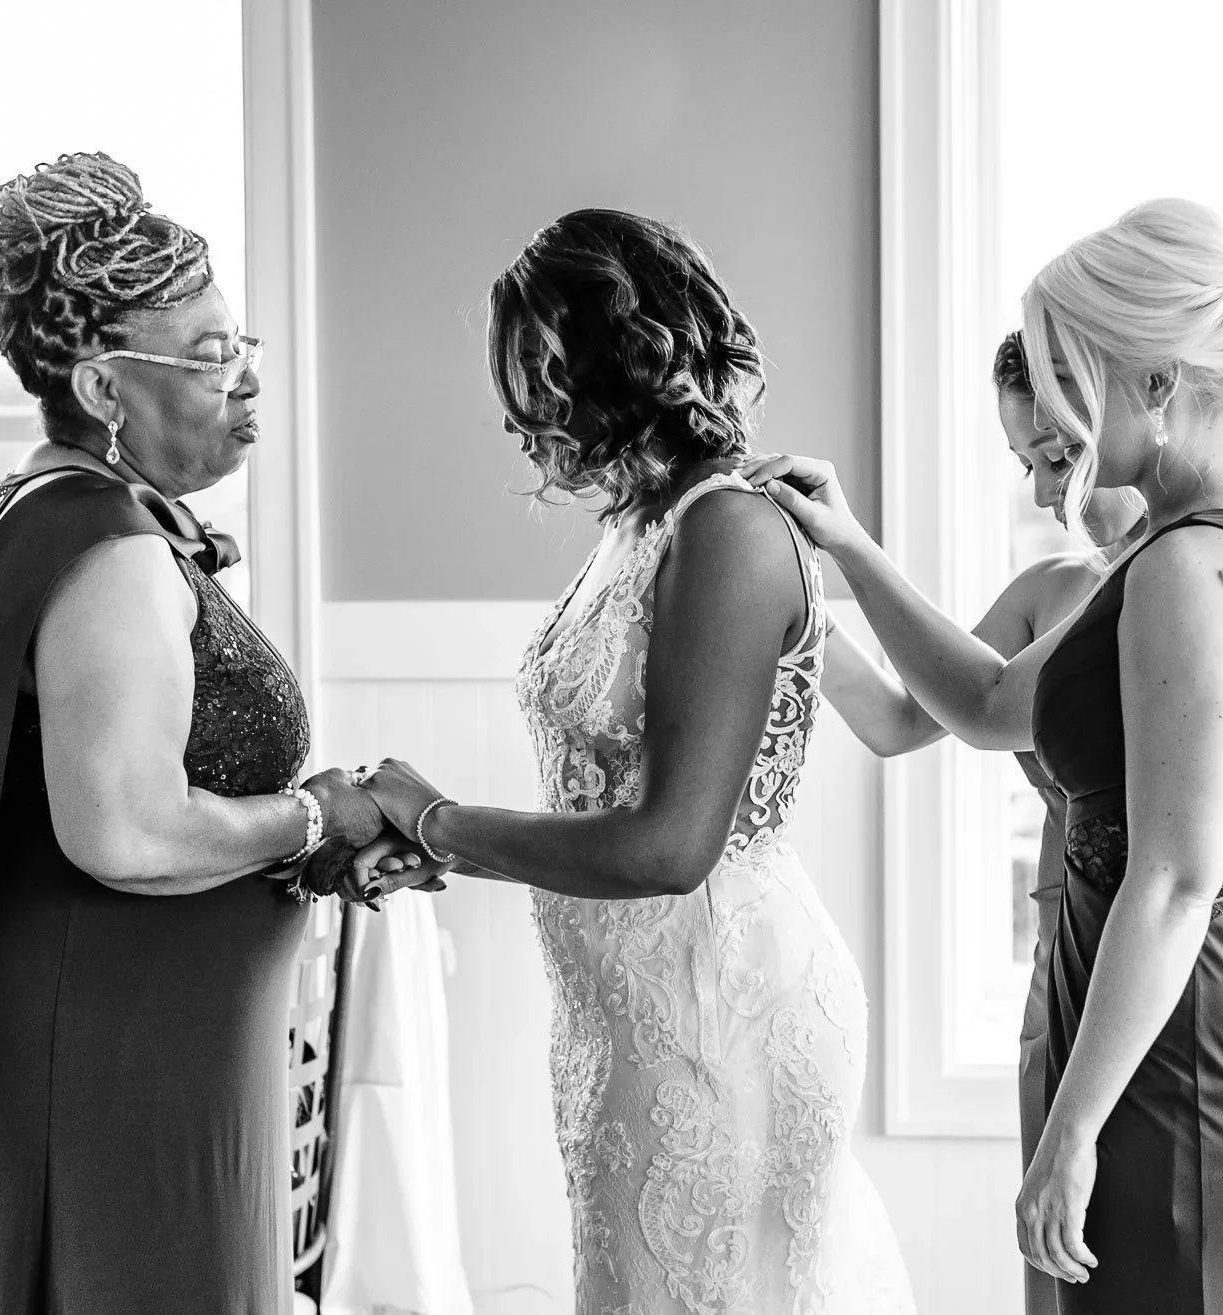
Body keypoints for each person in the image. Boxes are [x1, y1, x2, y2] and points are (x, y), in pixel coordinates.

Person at [747, 198, 1223, 1312]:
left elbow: (1179, 875)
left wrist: (1070, 1132)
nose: (1056, 437)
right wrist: (841, 550)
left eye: (1068, 377)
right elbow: (990, 702)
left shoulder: (1189, 571)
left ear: (1153, 381)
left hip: (1195, 1055)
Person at [0, 153, 410, 1315]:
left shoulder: (59, 510)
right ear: (105, 387)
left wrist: (302, 845)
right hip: (118, 1054)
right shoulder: (107, 550)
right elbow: (123, 831)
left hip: (136, 1033)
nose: (249, 383)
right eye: (213, 359)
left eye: (240, 347)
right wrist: (323, 809)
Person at [351, 209, 915, 1314]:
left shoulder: (729, 533)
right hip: (620, 1008)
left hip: (717, 1005)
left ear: (613, 361)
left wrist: (440, 823)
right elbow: (856, 714)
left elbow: (668, 844)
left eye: (535, 374)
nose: (516, 417)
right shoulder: (641, 527)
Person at [816, 331, 1145, 1315]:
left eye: (1054, 460)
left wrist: (850, 543)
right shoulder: (1048, 588)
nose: (1046, 495)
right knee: (1060, 1264)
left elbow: (995, 706)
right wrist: (792, 595)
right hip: (1063, 962)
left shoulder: (1166, 583)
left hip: (1153, 956)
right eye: (1025, 468)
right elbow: (894, 719)